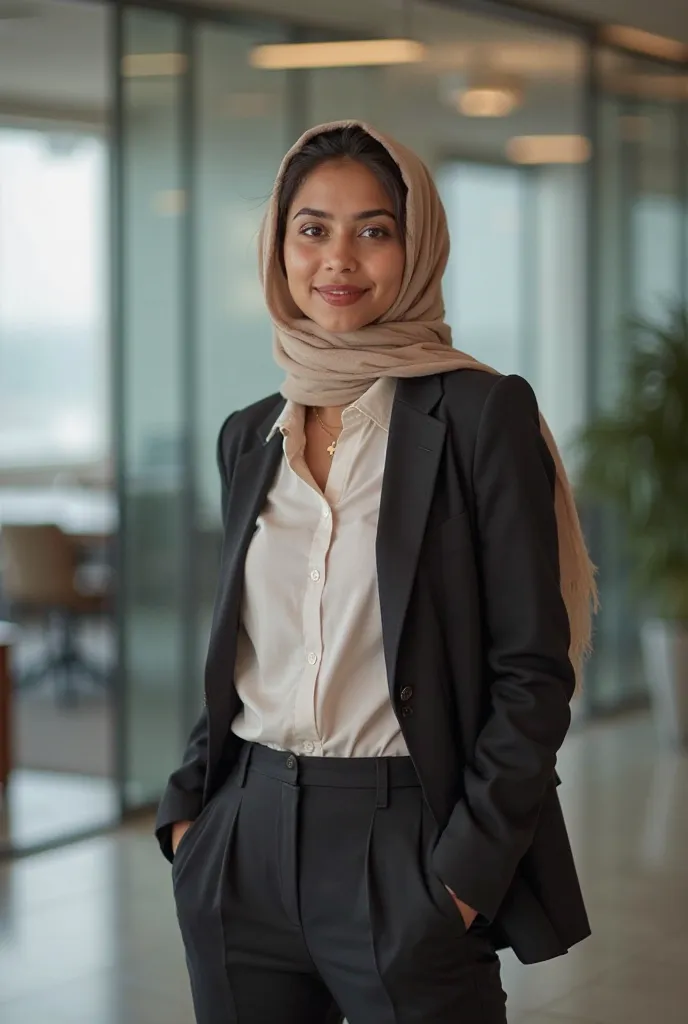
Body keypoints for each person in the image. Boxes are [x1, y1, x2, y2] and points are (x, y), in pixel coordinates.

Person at [155, 121, 597, 1024]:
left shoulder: (478, 414)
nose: (339, 259)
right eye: (312, 229)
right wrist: (191, 821)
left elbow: (532, 670)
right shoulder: (249, 435)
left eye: (375, 229)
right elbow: (239, 641)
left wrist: (464, 878)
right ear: (279, 249)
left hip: (406, 841)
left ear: (417, 244)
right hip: (244, 840)